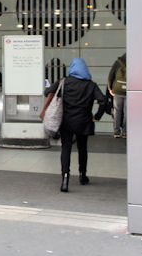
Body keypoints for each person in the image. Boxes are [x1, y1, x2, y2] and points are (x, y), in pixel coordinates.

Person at [45, 57, 105, 192]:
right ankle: (83, 175)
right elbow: (103, 101)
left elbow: (47, 92)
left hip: (67, 122)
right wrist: (97, 116)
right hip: (84, 122)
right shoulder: (91, 85)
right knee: (82, 148)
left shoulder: (65, 82)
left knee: (66, 148)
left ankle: (65, 178)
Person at [107, 53, 127, 138]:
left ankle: (116, 132)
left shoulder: (117, 63)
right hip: (128, 91)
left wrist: (110, 88)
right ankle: (125, 132)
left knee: (117, 111)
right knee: (127, 112)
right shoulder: (133, 62)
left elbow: (111, 76)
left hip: (118, 91)